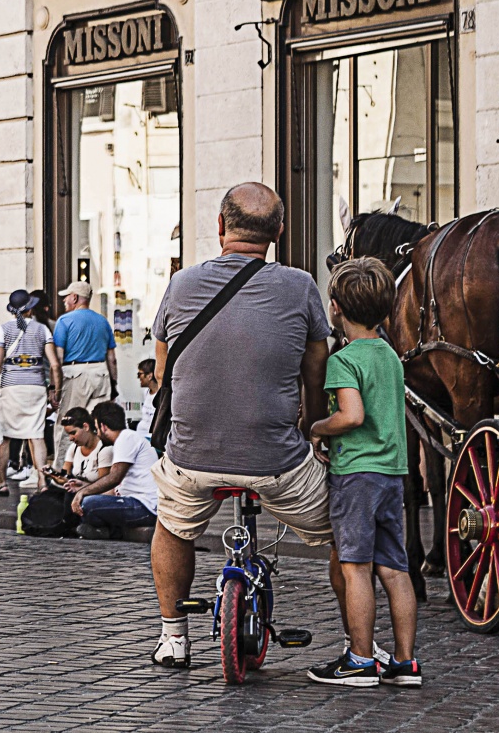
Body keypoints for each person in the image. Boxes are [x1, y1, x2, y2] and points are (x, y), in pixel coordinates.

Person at [147, 183, 332, 670]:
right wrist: (312, 429)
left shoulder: (182, 284)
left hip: (192, 457)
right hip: (278, 464)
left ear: (220, 226)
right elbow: (316, 373)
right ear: (279, 232)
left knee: (171, 527)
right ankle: (359, 642)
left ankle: (173, 637)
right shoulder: (300, 286)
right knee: (345, 531)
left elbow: (164, 370)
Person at [307, 258, 420, 688]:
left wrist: (318, 426)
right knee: (395, 570)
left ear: (335, 307)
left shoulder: (345, 359)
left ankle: (359, 660)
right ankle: (406, 663)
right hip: (393, 474)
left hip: (357, 476)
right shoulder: (390, 356)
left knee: (356, 568)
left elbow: (351, 416)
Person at [0, 290, 61, 496]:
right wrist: (54, 390)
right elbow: (54, 364)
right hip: (36, 386)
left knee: (4, 437)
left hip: (11, 387)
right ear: (30, 308)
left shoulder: (3, 330)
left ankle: (2, 483)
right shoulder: (42, 330)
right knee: (36, 435)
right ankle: (42, 481)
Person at [68, 402, 157, 540]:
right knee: (83, 502)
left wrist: (83, 492)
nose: (97, 433)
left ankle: (110, 532)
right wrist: (84, 487)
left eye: (97, 428)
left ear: (103, 426)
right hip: (133, 503)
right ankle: (104, 531)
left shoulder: (126, 438)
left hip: (144, 507)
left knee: (88, 505)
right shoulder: (124, 440)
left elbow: (114, 478)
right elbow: (113, 487)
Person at [52, 280, 117, 460]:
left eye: (66, 297)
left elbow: (57, 359)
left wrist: (54, 388)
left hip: (75, 374)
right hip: (100, 373)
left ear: (75, 297)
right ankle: (98, 466)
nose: (64, 300)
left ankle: (62, 471)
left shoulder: (64, 321)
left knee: (67, 422)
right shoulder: (102, 321)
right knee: (97, 423)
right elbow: (112, 359)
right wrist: (113, 384)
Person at [58, 408, 112, 483]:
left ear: (86, 427)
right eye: (68, 434)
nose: (70, 438)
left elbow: (102, 485)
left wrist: (80, 486)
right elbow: (64, 475)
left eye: (73, 433)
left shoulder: (104, 449)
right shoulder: (74, 448)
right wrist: (54, 475)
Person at [136, 359, 159, 438]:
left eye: (139, 374)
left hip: (151, 437)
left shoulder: (161, 395)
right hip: (140, 435)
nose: (138, 377)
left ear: (150, 376)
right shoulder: (146, 392)